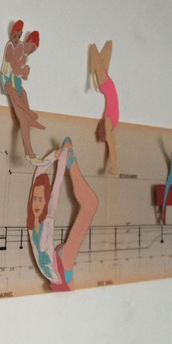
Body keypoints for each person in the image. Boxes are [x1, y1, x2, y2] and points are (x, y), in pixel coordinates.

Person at [27, 137, 98, 291]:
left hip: (59, 269)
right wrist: (58, 154)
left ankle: (70, 160)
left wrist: (59, 155)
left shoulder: (47, 219)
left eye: (41, 199)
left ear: (46, 202)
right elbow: (38, 175)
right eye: (35, 199)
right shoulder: (31, 221)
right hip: (60, 267)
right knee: (91, 204)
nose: (37, 203)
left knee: (91, 204)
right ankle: (70, 159)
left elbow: (56, 184)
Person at [0, 21, 45, 163]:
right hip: (7, 79)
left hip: (15, 81)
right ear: (28, 41)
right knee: (23, 119)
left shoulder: (24, 54)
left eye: (34, 50)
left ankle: (28, 150)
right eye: (32, 47)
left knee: (23, 95)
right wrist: (23, 70)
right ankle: (30, 153)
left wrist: (25, 72)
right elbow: (14, 69)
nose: (32, 51)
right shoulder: (18, 47)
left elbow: (20, 74)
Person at [90, 41, 119, 174]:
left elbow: (112, 145)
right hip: (105, 84)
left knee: (105, 47)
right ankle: (115, 167)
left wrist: (93, 75)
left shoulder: (109, 122)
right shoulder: (107, 121)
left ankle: (115, 167)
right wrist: (93, 75)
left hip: (107, 85)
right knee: (102, 51)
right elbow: (112, 146)